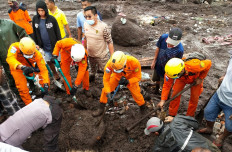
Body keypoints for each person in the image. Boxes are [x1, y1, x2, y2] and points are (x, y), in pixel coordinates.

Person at [92, 51, 146, 117]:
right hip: (116, 77)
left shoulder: (134, 62)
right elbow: (106, 79)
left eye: (119, 69)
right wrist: (108, 91)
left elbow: (138, 77)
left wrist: (128, 81)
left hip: (129, 78)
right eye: (115, 69)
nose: (117, 70)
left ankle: (142, 107)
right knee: (105, 91)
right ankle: (101, 108)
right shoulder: (109, 64)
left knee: (136, 93)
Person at [198, 56, 232, 148]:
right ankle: (209, 128)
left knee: (230, 126)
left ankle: (221, 137)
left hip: (231, 104)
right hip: (220, 94)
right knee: (208, 112)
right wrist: (225, 76)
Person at [6, 37, 49, 105]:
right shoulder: (14, 47)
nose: (29, 55)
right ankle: (29, 105)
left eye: (31, 54)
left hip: (29, 66)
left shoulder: (37, 53)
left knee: (42, 79)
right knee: (22, 88)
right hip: (17, 68)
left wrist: (46, 84)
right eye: (27, 54)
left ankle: (45, 97)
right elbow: (10, 58)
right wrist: (21, 67)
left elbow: (43, 69)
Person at [144, 115, 220, 152]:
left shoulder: (158, 147)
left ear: (156, 133)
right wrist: (175, 118)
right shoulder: (177, 121)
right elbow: (196, 124)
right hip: (210, 148)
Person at [32, 0, 61, 81]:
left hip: (54, 45)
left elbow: (57, 32)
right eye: (38, 10)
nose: (41, 12)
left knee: (59, 61)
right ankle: (55, 74)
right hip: (44, 46)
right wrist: (36, 44)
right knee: (49, 61)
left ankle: (62, 74)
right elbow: (34, 32)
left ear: (45, 9)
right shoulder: (35, 19)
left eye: (42, 10)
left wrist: (60, 44)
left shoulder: (52, 19)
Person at [84, 6, 114, 82]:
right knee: (92, 69)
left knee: (107, 72)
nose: (87, 19)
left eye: (89, 16)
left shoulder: (103, 27)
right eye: (85, 17)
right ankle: (92, 76)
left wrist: (112, 57)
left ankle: (111, 85)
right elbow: (85, 38)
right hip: (90, 55)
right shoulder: (85, 24)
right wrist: (85, 51)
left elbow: (109, 41)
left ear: (96, 16)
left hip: (102, 56)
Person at [0, 19, 28, 100]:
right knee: (11, 77)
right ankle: (19, 95)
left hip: (19, 55)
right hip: (5, 60)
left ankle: (33, 89)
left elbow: (23, 33)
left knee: (27, 72)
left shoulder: (9, 23)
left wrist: (29, 44)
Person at [151, 28, 184, 94]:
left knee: (165, 84)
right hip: (159, 63)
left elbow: (177, 63)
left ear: (179, 40)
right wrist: (154, 61)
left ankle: (164, 95)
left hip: (168, 69)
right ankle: (156, 90)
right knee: (156, 78)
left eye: (172, 44)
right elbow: (158, 48)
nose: (169, 45)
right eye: (169, 42)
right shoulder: (163, 37)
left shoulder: (180, 50)